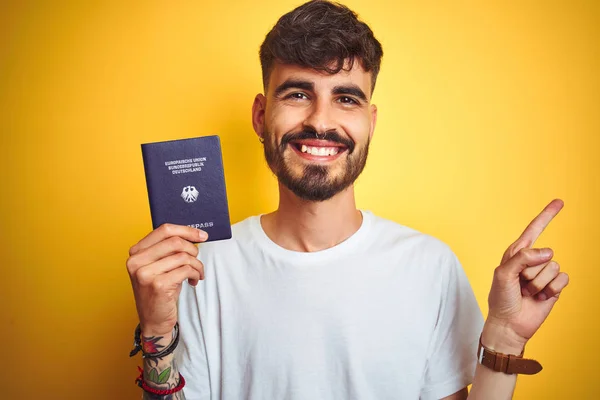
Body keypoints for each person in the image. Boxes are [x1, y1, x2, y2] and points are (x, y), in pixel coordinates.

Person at [125, 1, 570, 399]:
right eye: (298, 94)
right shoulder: (204, 267)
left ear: (369, 123)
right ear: (261, 116)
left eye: (346, 98)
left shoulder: (429, 266)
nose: (321, 121)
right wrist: (158, 332)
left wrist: (505, 337)